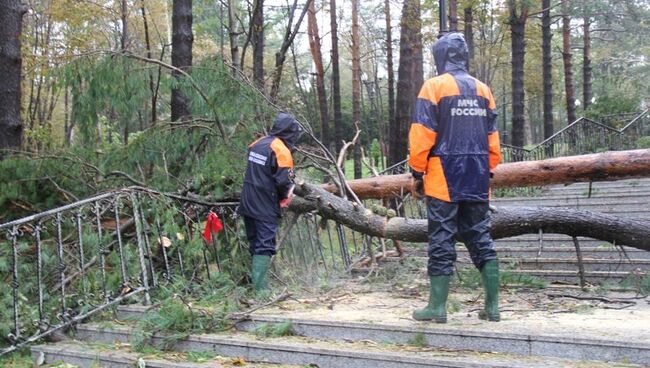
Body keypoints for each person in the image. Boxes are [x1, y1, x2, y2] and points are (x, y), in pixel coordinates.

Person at [408, 32, 502, 323]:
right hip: (477, 174)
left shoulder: (433, 87)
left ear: (440, 56)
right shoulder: (483, 89)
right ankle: (493, 308)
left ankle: (437, 308)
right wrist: (489, 169)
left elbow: (422, 133)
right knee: (481, 238)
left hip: (442, 175)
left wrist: (417, 171)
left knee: (441, 239)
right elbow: (492, 137)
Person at [238, 112, 301, 295]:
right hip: (265, 204)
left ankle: (257, 287)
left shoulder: (257, 143)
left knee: (255, 242)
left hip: (248, 201)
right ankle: (261, 292)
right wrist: (286, 196)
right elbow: (283, 182)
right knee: (265, 244)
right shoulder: (281, 150)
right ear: (290, 132)